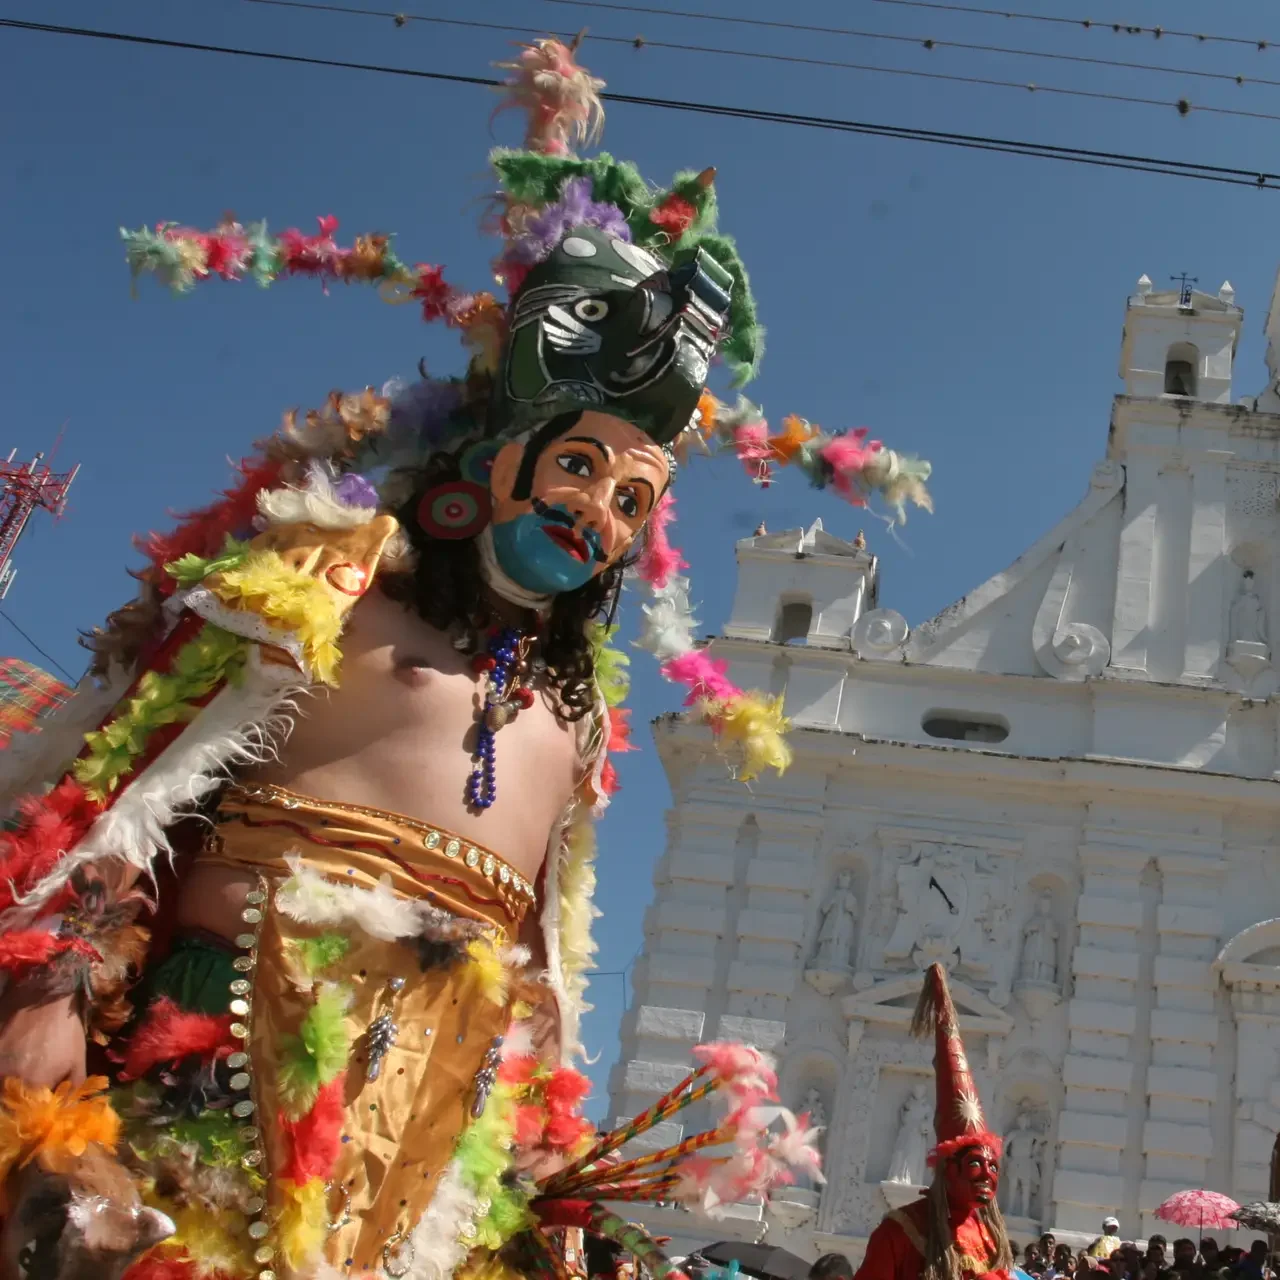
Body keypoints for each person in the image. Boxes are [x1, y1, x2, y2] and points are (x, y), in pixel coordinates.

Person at [0, 35, 908, 1280]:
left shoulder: (575, 719)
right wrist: (44, 1096)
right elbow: (101, 815)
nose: (598, 514)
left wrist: (537, 1172)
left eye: (632, 501)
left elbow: (540, 967)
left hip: (430, 1183)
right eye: (580, 466)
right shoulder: (326, 579)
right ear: (490, 458)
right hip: (201, 1129)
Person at [853, 963, 1014, 1280]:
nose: (987, 1174)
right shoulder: (900, 1231)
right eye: (975, 1164)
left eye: (993, 1166)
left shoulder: (990, 1237)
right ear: (948, 1167)